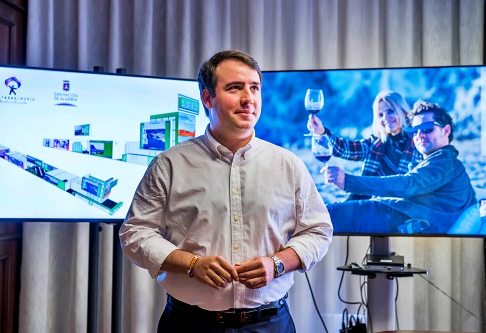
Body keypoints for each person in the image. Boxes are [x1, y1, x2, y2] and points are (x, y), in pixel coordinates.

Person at [119, 50, 333, 332]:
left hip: (270, 324)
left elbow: (318, 231)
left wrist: (277, 264)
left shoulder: (288, 165)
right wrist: (191, 264)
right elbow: (135, 234)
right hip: (189, 324)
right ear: (208, 98)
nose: (248, 99)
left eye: (254, 88)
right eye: (235, 88)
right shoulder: (169, 164)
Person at [324, 100, 477, 234]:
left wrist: (348, 181)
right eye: (414, 131)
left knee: (325, 216)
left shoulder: (445, 160)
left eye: (427, 128)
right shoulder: (444, 164)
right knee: (324, 216)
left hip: (398, 218)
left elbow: (409, 183)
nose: (419, 135)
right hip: (398, 216)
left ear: (446, 130)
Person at [307, 90, 422, 200]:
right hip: (368, 201)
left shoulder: (418, 143)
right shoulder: (375, 144)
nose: (385, 118)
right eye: (380, 114)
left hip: (398, 206)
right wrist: (322, 132)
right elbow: (344, 149)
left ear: (404, 112)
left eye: (391, 111)